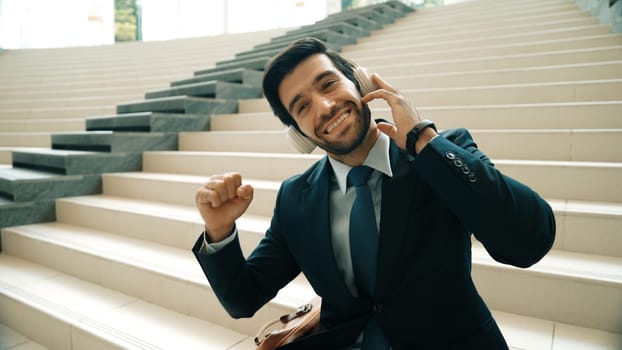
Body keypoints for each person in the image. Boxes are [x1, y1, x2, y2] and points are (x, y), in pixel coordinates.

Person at [192, 37, 556, 349]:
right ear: (298, 133)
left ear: (360, 84)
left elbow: (528, 241)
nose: (325, 106)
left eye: (329, 84)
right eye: (302, 106)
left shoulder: (440, 154)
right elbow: (243, 298)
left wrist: (424, 142)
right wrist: (219, 231)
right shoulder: (295, 197)